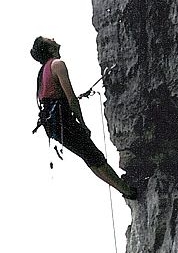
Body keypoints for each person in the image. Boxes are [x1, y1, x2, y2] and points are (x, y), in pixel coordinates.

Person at [30, 36, 137, 198]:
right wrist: (83, 123)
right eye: (49, 39)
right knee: (93, 155)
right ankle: (128, 191)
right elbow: (71, 98)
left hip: (52, 125)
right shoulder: (57, 65)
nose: (53, 38)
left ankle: (124, 189)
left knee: (89, 156)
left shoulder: (42, 71)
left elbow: (50, 96)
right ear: (50, 48)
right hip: (62, 121)